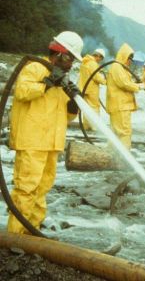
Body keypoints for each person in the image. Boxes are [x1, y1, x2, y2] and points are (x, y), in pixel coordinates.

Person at [7, 31, 83, 234]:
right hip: (32, 140)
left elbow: (61, 115)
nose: (71, 65)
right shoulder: (34, 67)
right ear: (60, 54)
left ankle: (32, 230)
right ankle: (16, 235)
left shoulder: (62, 79)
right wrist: (48, 83)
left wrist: (73, 107)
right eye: (70, 59)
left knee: (42, 189)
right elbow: (22, 92)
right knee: (26, 188)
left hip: (51, 142)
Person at [106, 43, 143, 149]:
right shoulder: (117, 67)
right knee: (124, 131)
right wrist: (139, 86)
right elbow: (124, 84)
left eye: (131, 58)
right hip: (120, 105)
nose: (130, 61)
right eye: (129, 58)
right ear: (123, 55)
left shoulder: (120, 67)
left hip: (119, 105)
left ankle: (111, 154)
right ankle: (124, 156)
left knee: (116, 132)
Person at [77, 48, 106, 130]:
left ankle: (86, 126)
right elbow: (96, 77)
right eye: (101, 58)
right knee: (94, 108)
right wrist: (105, 81)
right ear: (98, 56)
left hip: (83, 89)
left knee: (86, 108)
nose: (100, 61)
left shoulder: (85, 62)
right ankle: (94, 127)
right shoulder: (93, 64)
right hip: (91, 90)